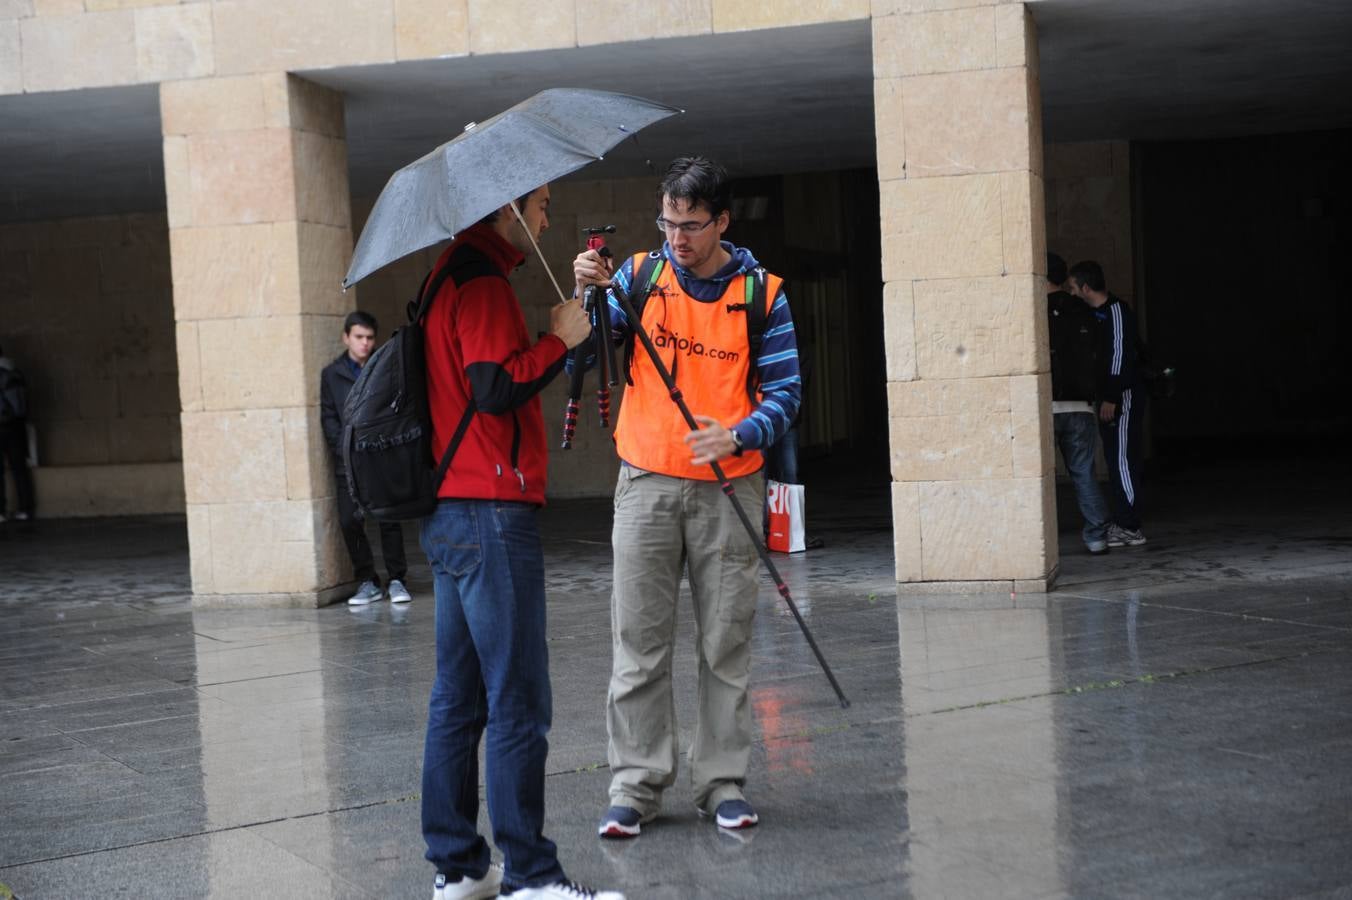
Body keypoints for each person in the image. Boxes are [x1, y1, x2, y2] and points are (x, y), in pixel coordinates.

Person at [572, 157, 802, 839]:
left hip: (729, 485)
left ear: (723, 221)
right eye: (668, 223)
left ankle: (721, 782)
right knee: (638, 640)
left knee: (724, 642)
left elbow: (787, 393)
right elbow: (586, 355)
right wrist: (589, 298)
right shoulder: (639, 277)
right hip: (644, 480)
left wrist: (737, 435)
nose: (678, 237)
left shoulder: (764, 294)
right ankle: (635, 785)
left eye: (693, 226)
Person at [419, 183, 624, 900]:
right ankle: (531, 876)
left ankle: (458, 866)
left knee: (458, 699)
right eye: (537, 206)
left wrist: (551, 329)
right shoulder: (480, 284)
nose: (544, 218)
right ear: (505, 208)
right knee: (517, 700)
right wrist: (557, 342)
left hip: (456, 511)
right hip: (490, 510)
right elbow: (492, 387)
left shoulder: (450, 273)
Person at [320, 312, 413, 605]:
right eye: (359, 337)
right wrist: (344, 449)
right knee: (349, 521)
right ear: (346, 337)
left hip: (380, 455)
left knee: (389, 518)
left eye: (370, 338)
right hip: (348, 461)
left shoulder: (383, 368)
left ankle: (397, 579)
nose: (364, 343)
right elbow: (329, 417)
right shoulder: (332, 374)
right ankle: (367, 580)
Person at [1068, 260, 1148, 548]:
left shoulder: (1115, 311)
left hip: (1122, 396)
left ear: (1086, 287)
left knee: (1123, 460)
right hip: (1108, 397)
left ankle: (1129, 526)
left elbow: (1119, 357)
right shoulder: (1095, 314)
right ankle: (1123, 520)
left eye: (1074, 287)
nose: (1072, 293)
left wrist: (1112, 397)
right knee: (1116, 458)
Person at [1046, 254, 1112, 555]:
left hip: (1044, 407)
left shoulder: (1032, 310)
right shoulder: (1083, 310)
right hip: (1081, 406)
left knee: (1038, 477)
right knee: (1084, 472)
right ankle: (1097, 537)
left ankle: (1040, 540)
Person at [0, 345, 35, 522]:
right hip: (17, 426)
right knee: (19, 469)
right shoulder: (15, 372)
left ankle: (1, 511)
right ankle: (26, 509)